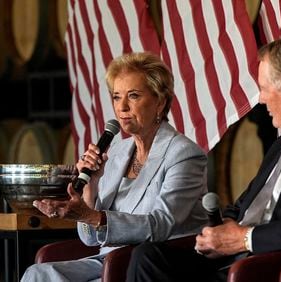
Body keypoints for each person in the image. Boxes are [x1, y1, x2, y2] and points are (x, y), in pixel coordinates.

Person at [126, 33, 281, 282]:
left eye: (264, 88)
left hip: (269, 267)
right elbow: (244, 205)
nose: (261, 98)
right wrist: (222, 229)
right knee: (147, 257)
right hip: (229, 260)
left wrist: (244, 238)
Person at [22, 52, 208, 281]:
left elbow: (160, 225)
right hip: (107, 260)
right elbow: (90, 239)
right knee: (38, 273)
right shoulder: (118, 152)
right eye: (117, 97)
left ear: (160, 102)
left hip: (151, 265)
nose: (122, 107)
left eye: (133, 96)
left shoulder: (184, 155)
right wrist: (92, 185)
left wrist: (92, 216)